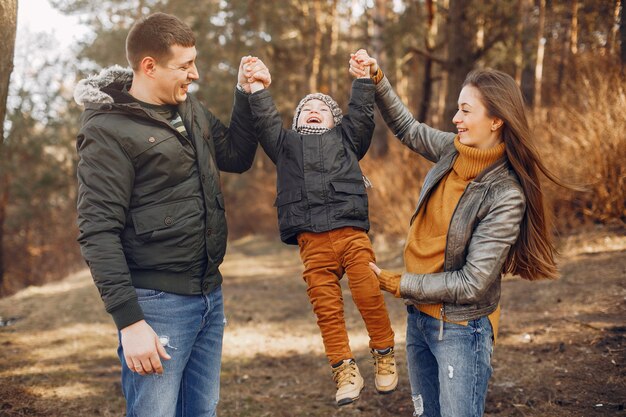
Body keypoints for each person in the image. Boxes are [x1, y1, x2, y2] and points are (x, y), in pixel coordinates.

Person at [350, 49, 566, 417]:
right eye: (458, 108)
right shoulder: (453, 152)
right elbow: (408, 129)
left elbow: (470, 283)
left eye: (466, 110)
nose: (456, 118)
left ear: (496, 119)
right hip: (419, 317)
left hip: (460, 330)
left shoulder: (505, 194)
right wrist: (377, 79)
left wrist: (397, 283)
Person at [74, 13, 267, 417]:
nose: (194, 74)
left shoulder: (187, 106)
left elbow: (235, 155)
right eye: (184, 65)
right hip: (156, 304)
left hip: (209, 296)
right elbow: (98, 231)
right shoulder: (107, 130)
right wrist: (130, 323)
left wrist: (246, 95)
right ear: (149, 66)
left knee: (202, 411)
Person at [240, 57, 397, 406]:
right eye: (305, 109)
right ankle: (344, 369)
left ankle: (384, 350)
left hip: (351, 234)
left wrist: (362, 79)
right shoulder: (285, 146)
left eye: (321, 108)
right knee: (326, 308)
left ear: (335, 120)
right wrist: (256, 88)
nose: (313, 109)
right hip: (312, 243)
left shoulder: (347, 139)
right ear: (295, 122)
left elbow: (361, 114)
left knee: (367, 291)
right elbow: (265, 122)